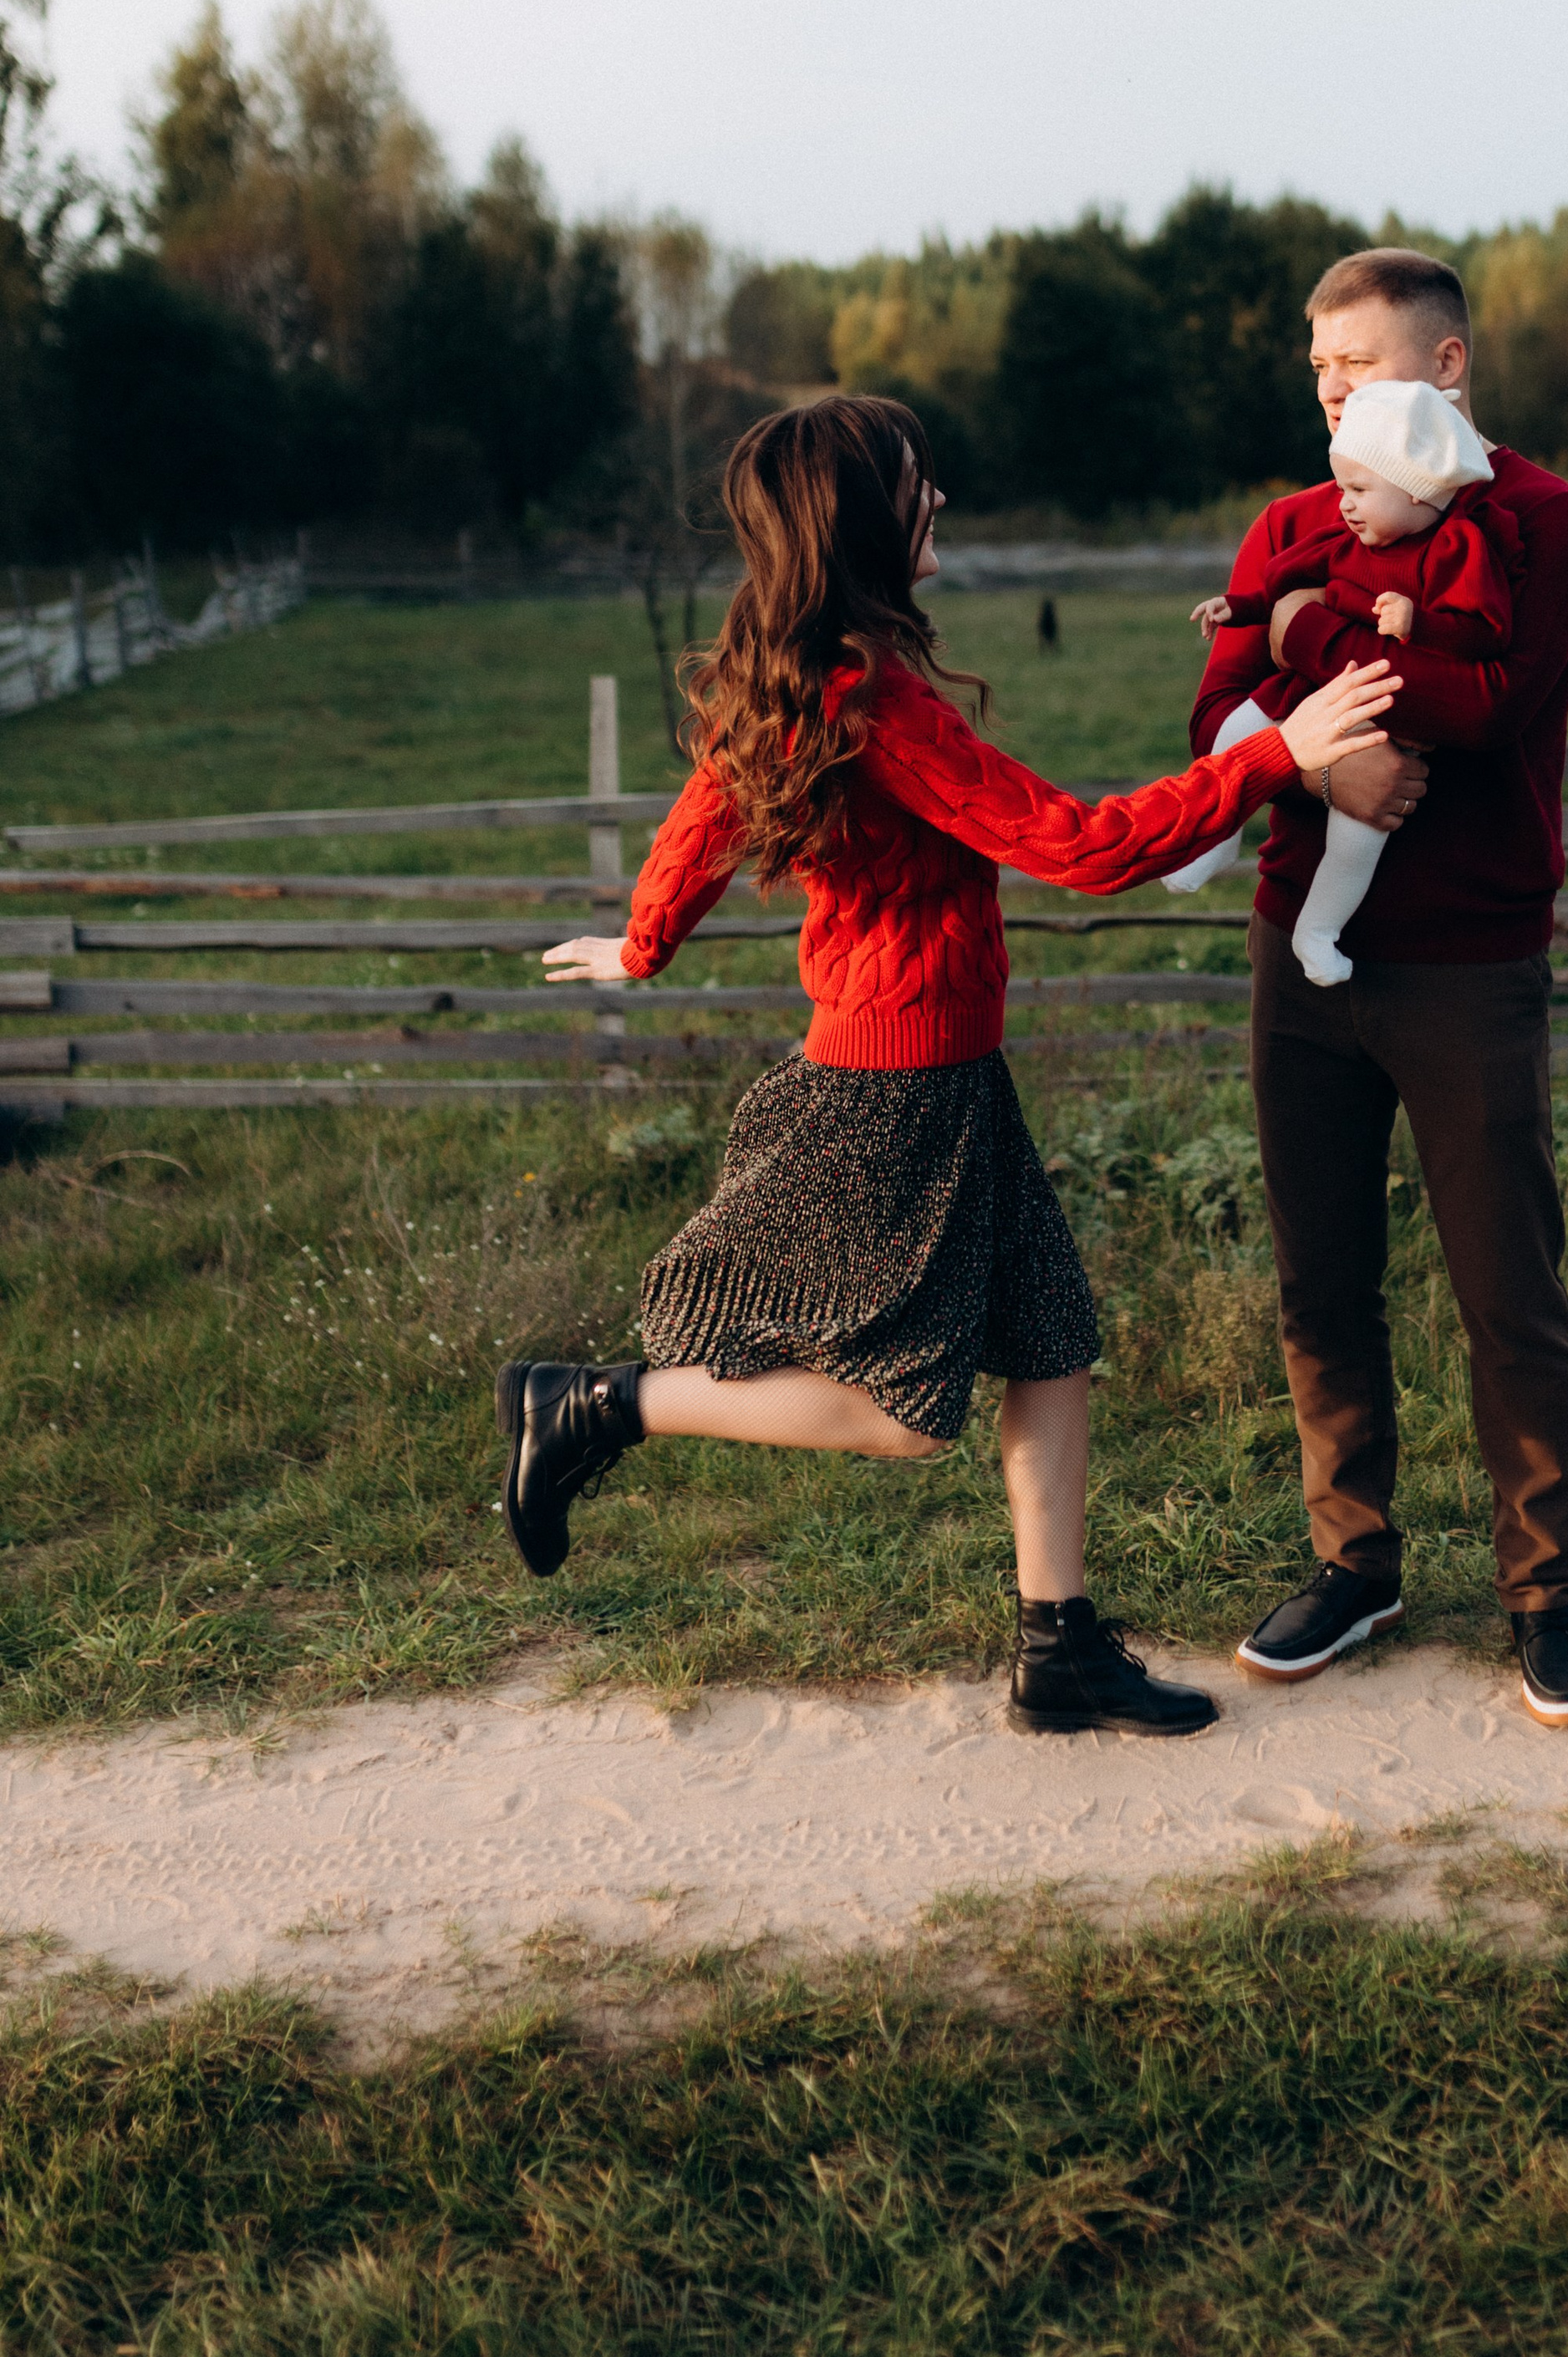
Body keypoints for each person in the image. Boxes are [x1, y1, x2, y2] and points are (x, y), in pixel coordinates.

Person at [493, 393, 1402, 1739]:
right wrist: (1280, 755)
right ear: (867, 516)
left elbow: (702, 807)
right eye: (919, 482)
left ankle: (1058, 1650)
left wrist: (644, 942)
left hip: (945, 1069)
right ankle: (594, 1405)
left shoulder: (813, 668)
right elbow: (1083, 847)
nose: (940, 502)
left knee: (1050, 1344)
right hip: (895, 1088)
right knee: (907, 1411)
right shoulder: (874, 702)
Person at [1190, 252, 1568, 1728]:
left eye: (1353, 363)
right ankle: (1355, 1564)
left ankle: (1545, 1592)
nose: (1328, 390)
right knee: (1322, 1277)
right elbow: (1215, 709)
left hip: (1470, 957)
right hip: (1301, 945)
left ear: (1445, 367)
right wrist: (1327, 763)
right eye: (1317, 367)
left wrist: (1299, 639)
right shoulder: (1290, 521)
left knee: (1508, 1287)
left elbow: (1488, 709)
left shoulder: (1547, 521)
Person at [1163, 378, 1517, 989]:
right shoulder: (1344, 537)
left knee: (1358, 835)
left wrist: (1420, 622)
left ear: (1416, 488)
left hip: (1382, 724)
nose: (1345, 504)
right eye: (1342, 487)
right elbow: (1280, 581)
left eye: (1359, 489)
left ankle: (1318, 931)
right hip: (1310, 696)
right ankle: (1217, 838)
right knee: (1234, 733)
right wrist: (1236, 606)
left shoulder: (1457, 548)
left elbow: (1486, 631)